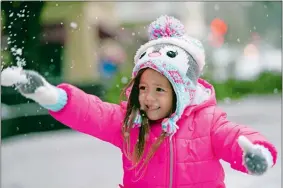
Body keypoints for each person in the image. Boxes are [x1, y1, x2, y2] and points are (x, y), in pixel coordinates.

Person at [1, 15, 277, 188]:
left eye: (159, 90)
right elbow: (91, 112)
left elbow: (234, 138)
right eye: (143, 87)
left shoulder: (208, 122)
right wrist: (51, 95)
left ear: (181, 92)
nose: (147, 97)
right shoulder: (130, 124)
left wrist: (254, 153)